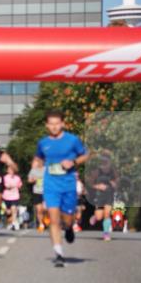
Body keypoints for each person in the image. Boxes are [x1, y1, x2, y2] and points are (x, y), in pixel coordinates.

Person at [33, 109, 89, 268]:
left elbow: (85, 154)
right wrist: (34, 172)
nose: (54, 127)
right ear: (47, 125)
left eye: (57, 123)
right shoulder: (43, 143)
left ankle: (70, 227)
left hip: (68, 185)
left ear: (63, 123)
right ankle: (58, 253)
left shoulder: (72, 140)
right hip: (50, 186)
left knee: (67, 219)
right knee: (54, 219)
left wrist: (74, 162)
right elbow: (38, 159)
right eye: (51, 124)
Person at [87, 152, 119, 241]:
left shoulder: (113, 171)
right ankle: (94, 217)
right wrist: (98, 186)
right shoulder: (97, 171)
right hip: (99, 196)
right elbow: (90, 183)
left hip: (109, 195)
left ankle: (106, 234)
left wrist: (114, 184)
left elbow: (118, 182)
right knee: (99, 217)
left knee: (107, 214)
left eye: (107, 159)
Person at [27, 160, 46, 232]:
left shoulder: (47, 169)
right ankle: (41, 224)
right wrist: (33, 180)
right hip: (37, 192)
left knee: (45, 208)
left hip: (46, 192)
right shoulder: (33, 171)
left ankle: (46, 219)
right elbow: (29, 180)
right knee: (39, 209)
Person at [2, 164, 22, 230]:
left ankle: (14, 223)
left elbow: (20, 185)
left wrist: (17, 187)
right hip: (6, 196)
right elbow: (3, 185)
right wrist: (7, 186)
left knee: (14, 209)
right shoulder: (5, 177)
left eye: (12, 170)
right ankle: (10, 223)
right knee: (8, 212)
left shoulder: (17, 178)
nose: (11, 171)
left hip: (15, 196)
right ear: (7, 171)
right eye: (10, 170)